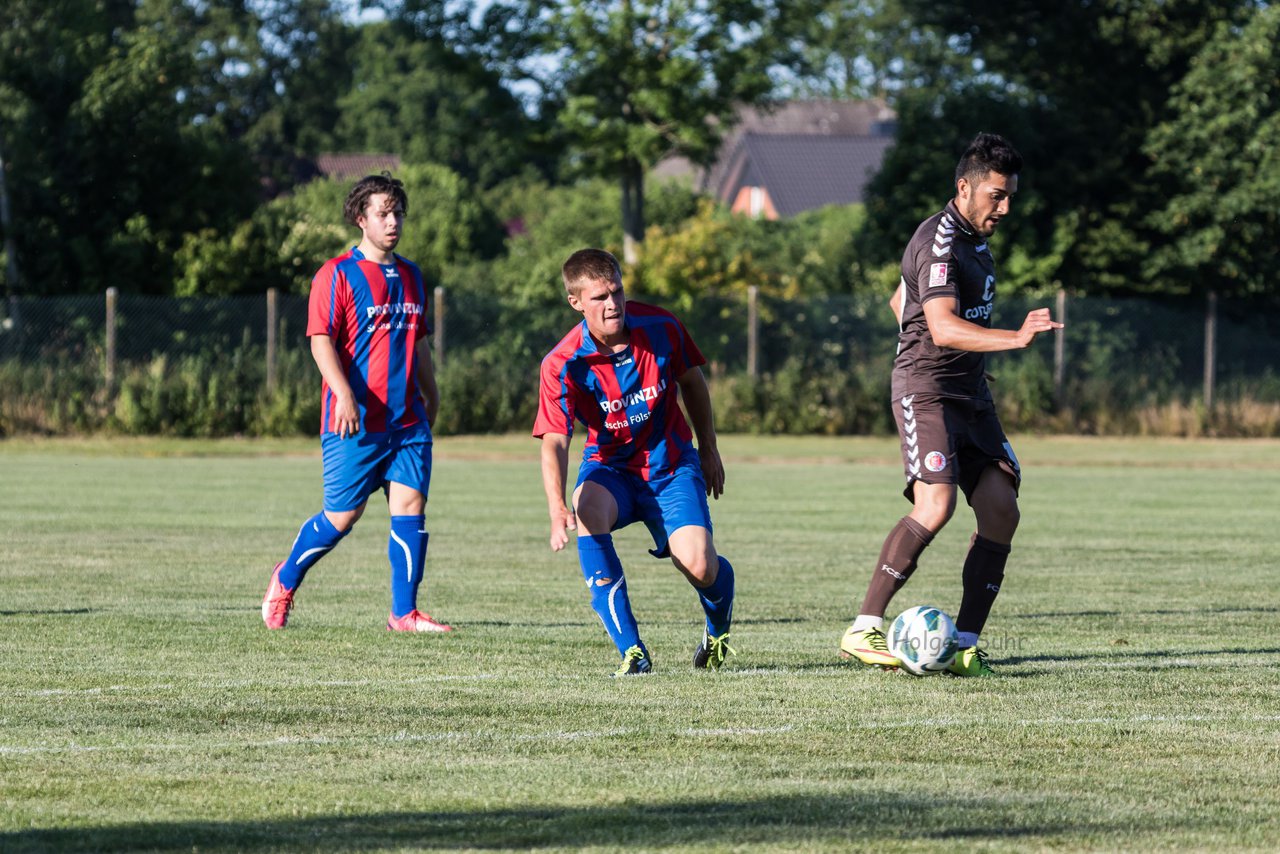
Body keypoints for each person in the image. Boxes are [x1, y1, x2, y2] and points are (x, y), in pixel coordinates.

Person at [839, 133, 1062, 676]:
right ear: (963, 187)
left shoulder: (974, 241)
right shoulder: (939, 240)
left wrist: (913, 325)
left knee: (1001, 509)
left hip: (971, 397)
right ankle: (864, 627)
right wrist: (1013, 338)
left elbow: (902, 299)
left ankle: (963, 643)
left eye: (1010, 196)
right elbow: (939, 327)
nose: (1005, 207)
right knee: (935, 504)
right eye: (996, 195)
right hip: (928, 391)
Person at [261, 172, 453, 633]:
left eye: (398, 213)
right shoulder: (337, 274)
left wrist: (433, 391)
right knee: (341, 517)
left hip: (407, 421)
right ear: (360, 219)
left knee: (410, 509)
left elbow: (419, 340)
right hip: (355, 423)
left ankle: (403, 614)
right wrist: (343, 393)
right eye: (383, 213)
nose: (393, 222)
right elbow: (320, 341)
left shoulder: (411, 275)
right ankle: (285, 579)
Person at [535, 248, 736, 677]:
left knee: (699, 564)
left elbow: (692, 383)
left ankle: (717, 632)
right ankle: (633, 653)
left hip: (672, 466)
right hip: (612, 469)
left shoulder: (660, 326)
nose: (613, 305)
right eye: (599, 298)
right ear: (576, 302)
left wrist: (710, 447)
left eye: (617, 291)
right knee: (586, 507)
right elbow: (555, 439)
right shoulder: (562, 362)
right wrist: (556, 506)